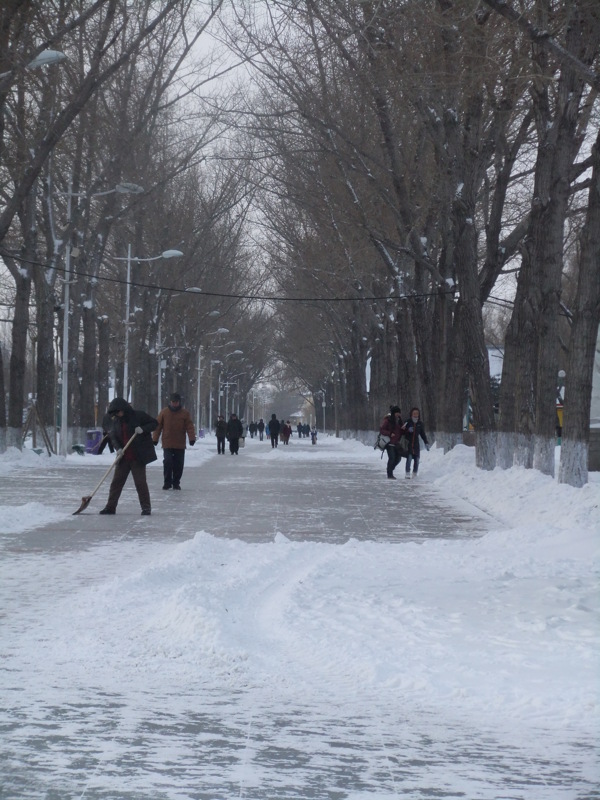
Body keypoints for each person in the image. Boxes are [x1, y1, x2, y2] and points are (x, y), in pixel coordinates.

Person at [99, 397, 158, 515]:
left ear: (124, 409)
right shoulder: (116, 421)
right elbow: (113, 437)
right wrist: (118, 449)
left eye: (118, 412)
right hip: (124, 457)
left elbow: (155, 423)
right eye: (115, 413)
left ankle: (146, 508)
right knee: (116, 482)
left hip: (137, 457)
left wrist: (143, 429)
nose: (118, 415)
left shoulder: (138, 416)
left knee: (140, 483)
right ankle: (110, 507)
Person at [152, 392, 195, 490]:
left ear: (179, 402)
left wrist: (192, 438)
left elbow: (190, 426)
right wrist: (155, 439)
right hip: (167, 442)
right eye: (173, 402)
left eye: (176, 402)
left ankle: (176, 482)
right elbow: (158, 426)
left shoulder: (185, 413)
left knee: (179, 464)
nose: (174, 404)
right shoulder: (164, 412)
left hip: (180, 443)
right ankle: (167, 482)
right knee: (167, 462)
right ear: (170, 402)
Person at [402, 407, 430, 478]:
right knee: (409, 458)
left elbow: (422, 434)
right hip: (409, 442)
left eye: (417, 413)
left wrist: (426, 442)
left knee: (417, 459)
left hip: (416, 444)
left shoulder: (420, 423)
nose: (415, 415)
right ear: (411, 414)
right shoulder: (407, 422)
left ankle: (415, 473)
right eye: (414, 413)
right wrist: (408, 430)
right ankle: (407, 472)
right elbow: (402, 431)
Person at [379, 405, 405, 479]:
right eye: (397, 413)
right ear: (394, 413)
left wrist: (403, 429)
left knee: (398, 458)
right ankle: (389, 474)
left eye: (399, 413)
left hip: (396, 442)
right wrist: (390, 433)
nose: (398, 414)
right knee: (392, 458)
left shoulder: (400, 420)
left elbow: (401, 432)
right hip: (389, 442)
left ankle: (390, 470)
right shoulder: (388, 420)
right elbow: (382, 430)